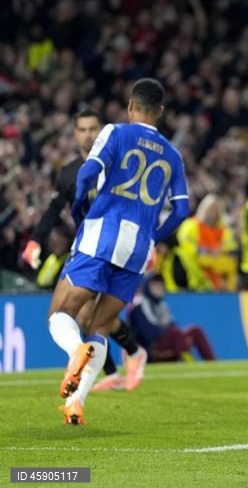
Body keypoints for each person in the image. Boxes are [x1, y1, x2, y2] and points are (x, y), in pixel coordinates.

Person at [48, 78, 190, 424]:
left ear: (130, 106)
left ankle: (75, 351)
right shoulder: (172, 155)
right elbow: (182, 210)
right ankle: (76, 402)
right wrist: (154, 235)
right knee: (100, 324)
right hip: (137, 249)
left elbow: (87, 173)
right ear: (160, 111)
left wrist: (79, 205)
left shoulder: (115, 132)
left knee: (61, 312)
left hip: (102, 234)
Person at [21, 107, 148, 393]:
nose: (88, 135)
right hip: (87, 249)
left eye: (93, 128)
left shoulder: (119, 166)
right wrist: (36, 240)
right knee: (89, 317)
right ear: (75, 133)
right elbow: (53, 209)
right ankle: (125, 360)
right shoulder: (69, 173)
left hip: (117, 250)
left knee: (91, 317)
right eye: (82, 129)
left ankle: (123, 361)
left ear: (101, 131)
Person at [128, 274, 215, 362]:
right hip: (151, 351)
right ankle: (189, 363)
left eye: (160, 285)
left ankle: (213, 364)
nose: (159, 288)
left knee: (196, 331)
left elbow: (172, 324)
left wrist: (168, 330)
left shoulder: (161, 304)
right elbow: (149, 334)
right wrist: (166, 329)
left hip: (168, 344)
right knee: (175, 333)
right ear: (147, 287)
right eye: (155, 285)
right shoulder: (139, 306)